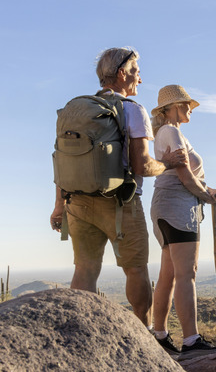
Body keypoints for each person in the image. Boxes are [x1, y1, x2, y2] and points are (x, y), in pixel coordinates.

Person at [49, 47, 186, 330]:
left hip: (77, 203)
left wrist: (59, 205)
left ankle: (79, 334)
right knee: (135, 269)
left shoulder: (76, 110)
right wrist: (168, 163)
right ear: (122, 74)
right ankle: (144, 337)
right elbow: (142, 165)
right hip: (121, 204)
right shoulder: (132, 110)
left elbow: (64, 161)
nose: (140, 78)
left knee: (85, 270)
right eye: (136, 72)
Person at [149, 85, 216, 358]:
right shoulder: (171, 132)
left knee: (168, 274)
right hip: (178, 207)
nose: (188, 108)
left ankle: (158, 334)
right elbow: (184, 176)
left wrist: (206, 190)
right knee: (187, 273)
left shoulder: (165, 132)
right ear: (170, 108)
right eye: (184, 104)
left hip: (164, 205)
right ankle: (192, 340)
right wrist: (206, 195)